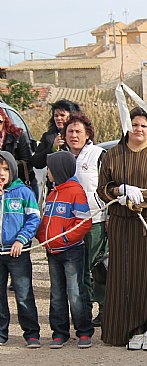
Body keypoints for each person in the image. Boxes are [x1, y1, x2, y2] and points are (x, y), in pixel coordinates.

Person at [97, 107, 147, 351]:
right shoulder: (113, 154)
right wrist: (118, 192)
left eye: (143, 125)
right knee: (124, 276)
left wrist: (140, 196)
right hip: (122, 224)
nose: (138, 129)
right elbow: (103, 188)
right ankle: (131, 329)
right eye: (134, 124)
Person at [37, 150, 94, 349]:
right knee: (57, 293)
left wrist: (65, 238)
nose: (48, 173)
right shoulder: (52, 193)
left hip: (71, 251)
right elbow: (46, 221)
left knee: (75, 291)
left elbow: (84, 222)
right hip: (52, 252)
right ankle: (59, 332)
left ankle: (84, 331)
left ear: (59, 170)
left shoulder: (75, 191)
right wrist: (42, 238)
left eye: (50, 169)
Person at [63, 113, 107, 327]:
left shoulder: (98, 155)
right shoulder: (61, 157)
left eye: (78, 131)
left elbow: (108, 188)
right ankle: (83, 312)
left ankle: (105, 309)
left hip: (95, 219)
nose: (73, 135)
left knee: (97, 266)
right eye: (70, 131)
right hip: (69, 222)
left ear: (87, 133)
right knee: (78, 270)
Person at [0, 152, 41, 348]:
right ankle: (1, 333)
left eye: (5, 169)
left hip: (17, 252)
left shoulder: (24, 192)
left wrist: (21, 241)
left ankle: (31, 333)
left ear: (13, 170)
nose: (1, 173)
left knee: (23, 294)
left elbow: (33, 219)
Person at [32, 99, 81, 194]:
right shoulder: (48, 136)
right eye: (56, 116)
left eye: (62, 115)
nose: (58, 118)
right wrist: (52, 148)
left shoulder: (81, 135)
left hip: (77, 185)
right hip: (54, 189)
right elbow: (36, 162)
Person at [0, 109, 36, 196]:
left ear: (5, 121)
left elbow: (27, 162)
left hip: (16, 187)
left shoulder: (17, 136)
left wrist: (7, 164)